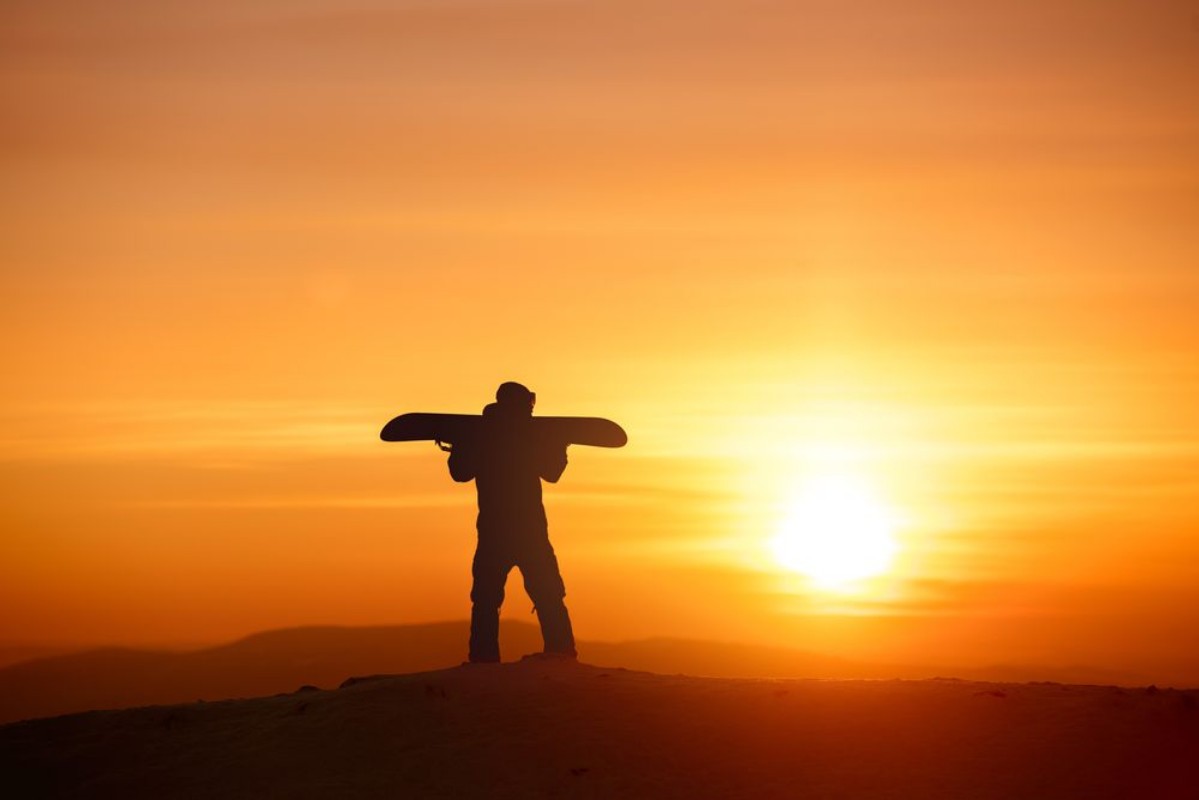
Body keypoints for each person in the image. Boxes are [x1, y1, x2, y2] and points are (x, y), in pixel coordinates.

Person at [447, 382, 577, 663]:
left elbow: (460, 472)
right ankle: (562, 656)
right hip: (527, 532)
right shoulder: (526, 435)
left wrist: (459, 444)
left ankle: (483, 660)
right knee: (547, 596)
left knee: (487, 600)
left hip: (495, 531)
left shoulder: (484, 435)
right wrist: (558, 446)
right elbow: (553, 473)